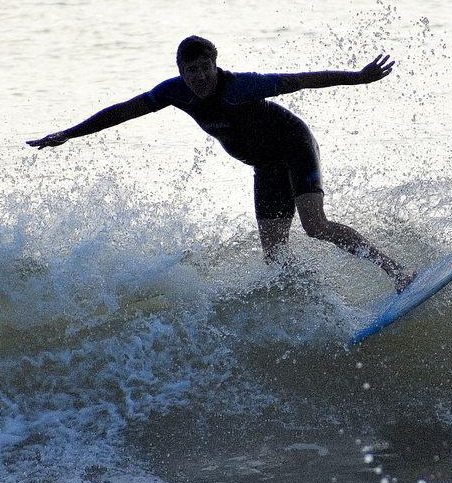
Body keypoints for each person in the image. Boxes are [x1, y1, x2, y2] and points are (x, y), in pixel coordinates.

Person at [28, 36, 414, 292]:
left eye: (204, 67)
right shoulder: (174, 93)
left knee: (314, 226)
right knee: (276, 256)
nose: (198, 77)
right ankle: (322, 302)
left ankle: (397, 272)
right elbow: (124, 111)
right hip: (265, 167)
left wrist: (359, 78)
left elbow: (301, 80)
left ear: (215, 64)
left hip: (293, 146)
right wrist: (69, 134)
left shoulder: (241, 87)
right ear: (181, 70)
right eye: (190, 70)